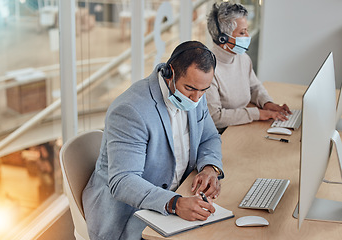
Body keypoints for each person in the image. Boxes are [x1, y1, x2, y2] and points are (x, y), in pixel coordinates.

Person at [82, 41, 224, 240]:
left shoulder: (197, 93)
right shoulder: (131, 110)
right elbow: (123, 181)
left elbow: (209, 137)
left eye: (203, 90)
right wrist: (175, 203)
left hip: (181, 194)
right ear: (170, 73)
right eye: (190, 88)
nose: (196, 98)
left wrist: (210, 167)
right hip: (130, 213)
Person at [206, 2, 291, 134]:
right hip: (223, 134)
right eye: (242, 32)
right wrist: (257, 114)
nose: (248, 36)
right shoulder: (208, 69)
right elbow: (215, 117)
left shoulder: (242, 58)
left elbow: (254, 87)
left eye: (247, 30)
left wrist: (267, 103)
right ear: (223, 39)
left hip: (242, 126)